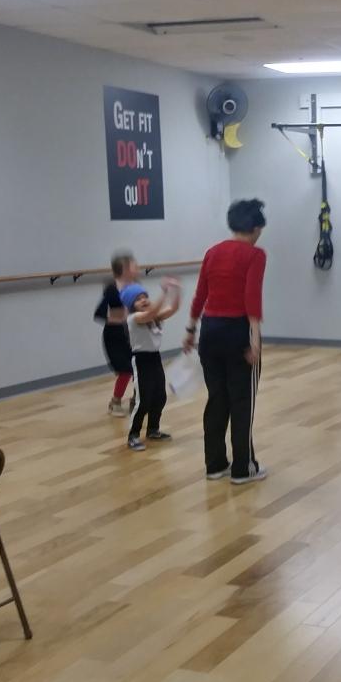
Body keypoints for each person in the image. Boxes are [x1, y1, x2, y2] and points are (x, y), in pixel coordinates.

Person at [183, 199, 267, 485]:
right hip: (237, 332)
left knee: (217, 399)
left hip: (210, 332)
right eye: (260, 230)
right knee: (242, 401)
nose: (260, 235)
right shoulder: (255, 255)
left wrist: (190, 329)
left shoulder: (213, 252)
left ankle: (215, 464)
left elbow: (200, 294)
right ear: (254, 228)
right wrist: (255, 338)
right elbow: (252, 296)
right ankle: (243, 468)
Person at [120, 279, 181, 451]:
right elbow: (152, 312)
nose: (144, 300)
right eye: (138, 299)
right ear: (131, 305)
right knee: (143, 400)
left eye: (145, 297)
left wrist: (176, 290)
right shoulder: (134, 318)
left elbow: (173, 308)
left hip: (155, 358)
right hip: (141, 360)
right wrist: (164, 292)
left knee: (160, 396)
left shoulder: (154, 318)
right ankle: (133, 435)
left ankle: (153, 429)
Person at [93, 249, 138, 416]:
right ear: (124, 269)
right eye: (133, 266)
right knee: (125, 370)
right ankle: (115, 402)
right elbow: (99, 313)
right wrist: (118, 320)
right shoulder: (112, 289)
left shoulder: (136, 287)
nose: (137, 268)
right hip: (114, 336)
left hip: (132, 333)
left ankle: (136, 400)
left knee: (138, 368)